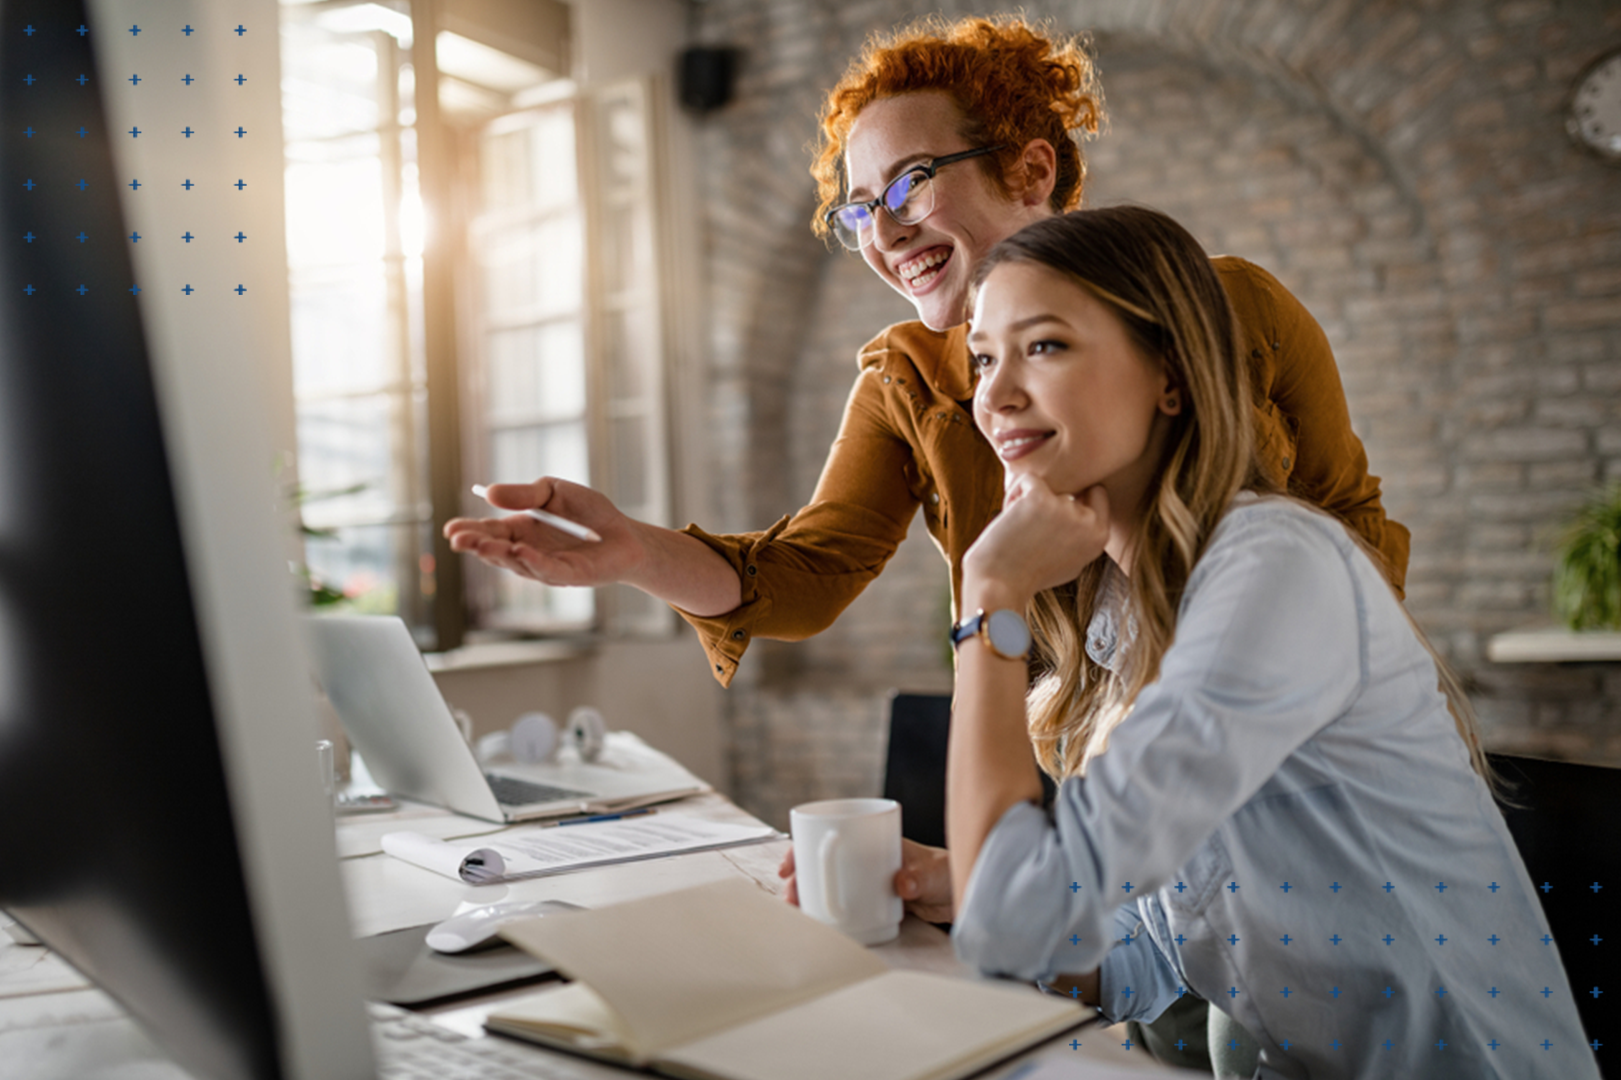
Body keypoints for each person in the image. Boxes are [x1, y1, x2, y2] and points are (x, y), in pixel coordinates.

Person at [943, 205, 1595, 1080]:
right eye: (984, 358)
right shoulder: (1124, 618)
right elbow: (1153, 954)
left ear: (1169, 375)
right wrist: (957, 886)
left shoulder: (1275, 568)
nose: (993, 395)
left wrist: (989, 600)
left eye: (1044, 346)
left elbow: (1009, 926)